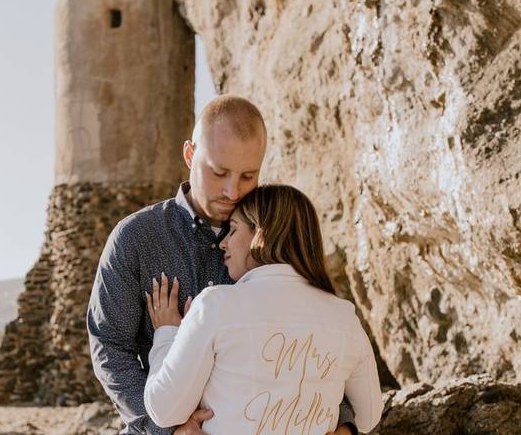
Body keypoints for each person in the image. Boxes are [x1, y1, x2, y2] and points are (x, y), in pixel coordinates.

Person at [87, 96, 359, 435]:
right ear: (190, 155)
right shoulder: (136, 238)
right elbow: (111, 345)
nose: (233, 190)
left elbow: (319, 336)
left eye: (248, 175)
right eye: (219, 172)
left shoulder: (275, 239)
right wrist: (165, 428)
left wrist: (343, 421)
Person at [143, 184, 383, 434]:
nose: (224, 243)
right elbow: (368, 416)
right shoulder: (344, 316)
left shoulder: (215, 305)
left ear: (260, 234)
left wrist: (167, 332)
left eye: (233, 230)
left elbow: (163, 409)